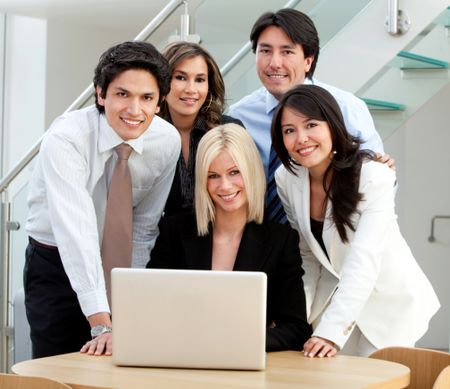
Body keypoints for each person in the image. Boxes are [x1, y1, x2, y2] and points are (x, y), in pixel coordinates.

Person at [24, 41, 181, 358]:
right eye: (123, 94)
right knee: (58, 368)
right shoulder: (66, 138)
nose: (134, 110)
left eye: (146, 98)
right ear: (100, 94)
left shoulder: (166, 141)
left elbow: (144, 227)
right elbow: (76, 232)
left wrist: (126, 299)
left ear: (160, 102)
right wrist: (102, 323)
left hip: (119, 264)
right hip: (56, 264)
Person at [272, 84, 440, 357]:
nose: (301, 138)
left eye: (311, 124)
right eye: (289, 130)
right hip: (335, 299)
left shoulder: (374, 176)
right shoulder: (287, 178)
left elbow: (364, 259)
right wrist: (294, 317)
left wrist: (331, 333)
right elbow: (307, 256)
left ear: (332, 126)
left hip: (388, 303)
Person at [147, 123, 312, 351]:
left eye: (234, 172)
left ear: (251, 171)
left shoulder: (280, 240)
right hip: (182, 357)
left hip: (245, 366)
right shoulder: (174, 232)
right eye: (213, 176)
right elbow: (151, 307)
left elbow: (296, 328)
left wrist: (237, 342)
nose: (225, 186)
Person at [228, 9, 392, 222]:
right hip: (260, 243)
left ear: (308, 60)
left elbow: (380, 187)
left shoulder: (346, 108)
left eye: (287, 52)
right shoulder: (239, 115)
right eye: (265, 51)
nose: (274, 63)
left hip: (334, 235)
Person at [159, 42, 243, 217]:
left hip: (220, 235)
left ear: (209, 85)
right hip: (163, 239)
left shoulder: (229, 129)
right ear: (163, 81)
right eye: (180, 77)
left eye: (200, 80)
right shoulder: (148, 134)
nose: (191, 89)